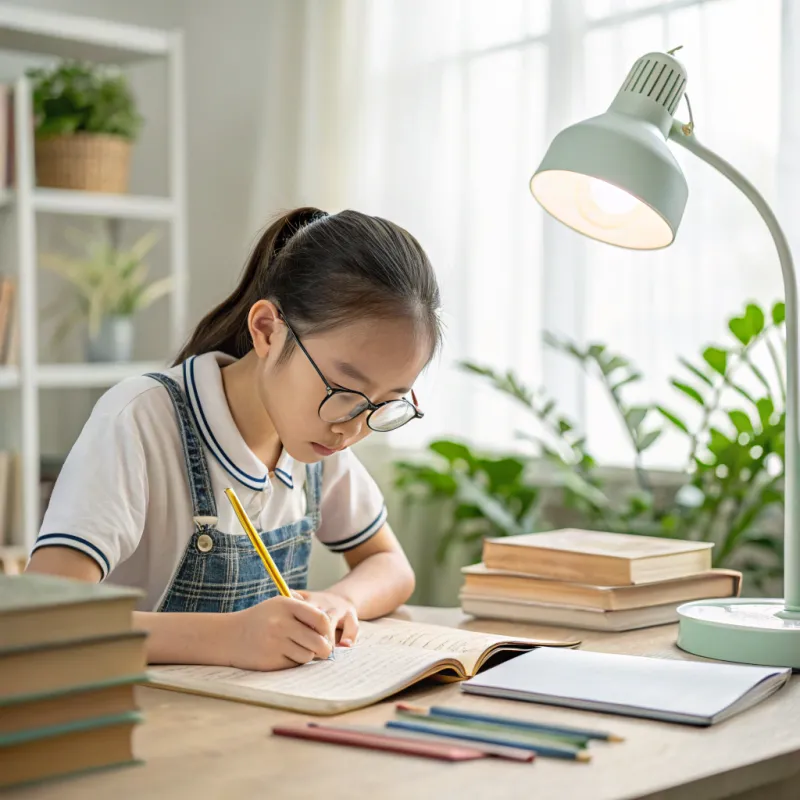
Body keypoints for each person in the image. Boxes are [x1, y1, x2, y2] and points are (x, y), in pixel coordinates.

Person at [26, 206, 442, 672]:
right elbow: (42, 617)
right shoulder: (142, 418)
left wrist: (339, 600)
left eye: (384, 404)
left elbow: (391, 566)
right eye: (343, 389)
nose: (352, 428)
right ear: (267, 330)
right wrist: (231, 637)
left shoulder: (320, 444)